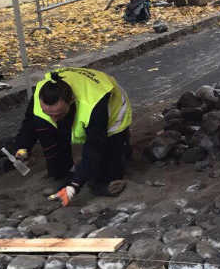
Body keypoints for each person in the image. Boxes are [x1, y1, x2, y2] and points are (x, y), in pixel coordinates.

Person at [14, 67, 132, 206]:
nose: (54, 119)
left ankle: (122, 149)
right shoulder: (42, 93)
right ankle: (63, 173)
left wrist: (74, 186)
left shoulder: (94, 105)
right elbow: (29, 123)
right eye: (49, 114)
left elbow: (94, 146)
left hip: (113, 111)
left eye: (58, 114)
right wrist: (22, 147)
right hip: (74, 101)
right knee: (44, 126)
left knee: (106, 175)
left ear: (71, 101)